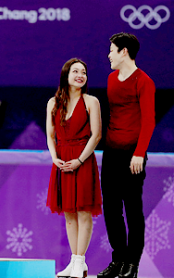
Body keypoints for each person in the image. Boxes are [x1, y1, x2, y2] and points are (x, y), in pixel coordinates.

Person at [98, 33, 155, 278]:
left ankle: (132, 264)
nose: (109, 54)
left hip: (133, 155)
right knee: (111, 209)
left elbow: (149, 121)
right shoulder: (111, 79)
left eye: (112, 50)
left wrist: (139, 153)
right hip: (111, 153)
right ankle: (118, 260)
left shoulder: (144, 81)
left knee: (132, 209)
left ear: (124, 51)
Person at [46, 58, 102, 278]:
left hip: (83, 159)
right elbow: (50, 136)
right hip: (62, 160)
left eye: (84, 72)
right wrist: (54, 158)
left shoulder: (91, 101)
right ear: (66, 75)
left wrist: (79, 160)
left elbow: (96, 135)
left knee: (83, 211)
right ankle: (75, 261)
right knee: (69, 213)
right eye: (75, 71)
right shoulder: (53, 103)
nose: (80, 75)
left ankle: (80, 261)